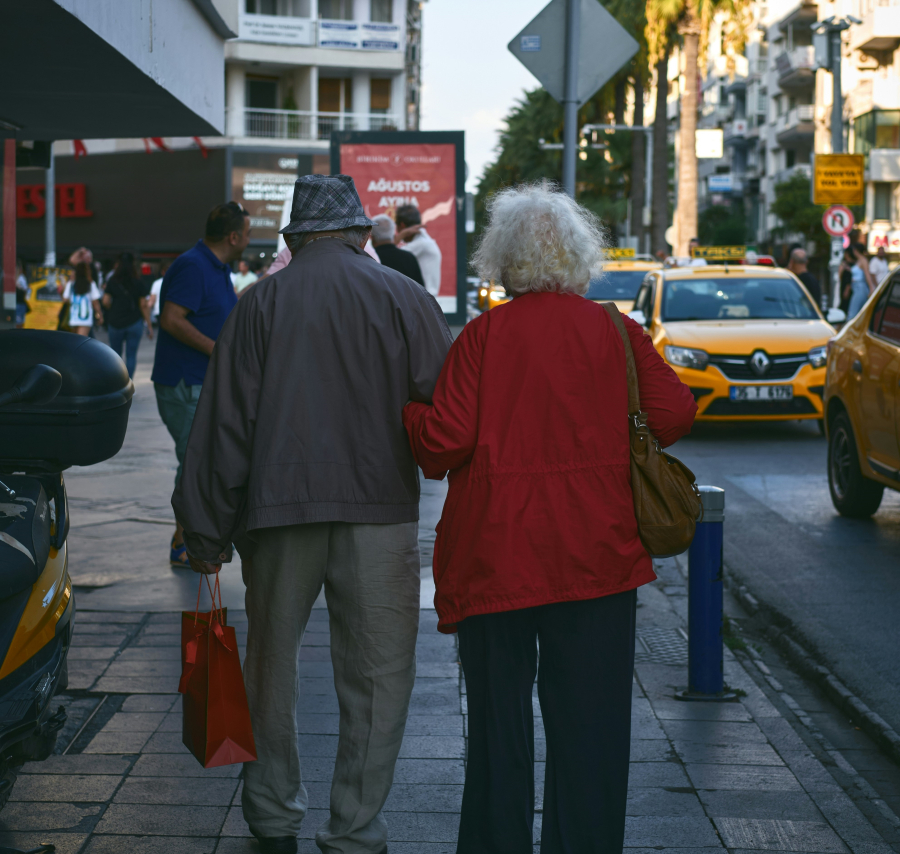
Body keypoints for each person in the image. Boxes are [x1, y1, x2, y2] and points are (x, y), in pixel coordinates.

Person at [403, 184, 697, 853]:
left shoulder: (483, 337)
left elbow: (441, 444)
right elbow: (676, 414)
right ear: (577, 257)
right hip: (597, 558)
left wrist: (409, 412)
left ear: (504, 262)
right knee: (591, 730)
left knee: (498, 730)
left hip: (496, 560)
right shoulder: (616, 332)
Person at [173, 175, 452, 854]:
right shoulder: (408, 299)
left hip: (277, 515)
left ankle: (272, 813)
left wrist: (205, 528)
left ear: (295, 238)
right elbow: (442, 415)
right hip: (379, 513)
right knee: (378, 675)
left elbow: (223, 427)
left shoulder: (260, 302)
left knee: (271, 666)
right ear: (361, 235)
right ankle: (355, 828)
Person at [152, 201, 249, 568]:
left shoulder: (216, 267)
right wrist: (218, 350)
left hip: (199, 381)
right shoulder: (193, 265)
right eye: (249, 233)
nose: (250, 239)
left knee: (199, 460)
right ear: (234, 236)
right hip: (184, 382)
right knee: (196, 462)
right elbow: (173, 319)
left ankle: (190, 537)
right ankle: (185, 541)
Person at [102, 254, 152, 376]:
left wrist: (113, 309)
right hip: (134, 322)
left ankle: (118, 383)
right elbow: (143, 305)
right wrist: (149, 325)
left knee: (115, 355)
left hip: (115, 322)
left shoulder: (112, 281)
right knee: (131, 355)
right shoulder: (138, 282)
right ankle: (128, 383)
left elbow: (105, 301)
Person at [395, 203, 442, 297]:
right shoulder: (425, 241)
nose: (396, 230)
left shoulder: (422, 243)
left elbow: (389, 255)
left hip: (423, 302)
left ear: (402, 225)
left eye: (396, 225)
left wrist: (400, 236)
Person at [370, 213, 425, 285]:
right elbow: (421, 292)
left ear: (372, 238)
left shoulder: (369, 260)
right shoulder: (409, 259)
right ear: (393, 235)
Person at [62, 261, 103, 336]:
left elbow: (65, 299)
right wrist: (100, 315)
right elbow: (95, 302)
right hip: (85, 320)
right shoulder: (90, 284)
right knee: (81, 343)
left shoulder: (71, 284)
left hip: (73, 317)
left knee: (73, 342)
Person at [845, 246, 873, 319]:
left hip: (860, 288)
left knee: (852, 314)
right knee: (857, 313)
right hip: (856, 287)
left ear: (856, 250)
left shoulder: (863, 260)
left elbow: (867, 275)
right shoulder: (858, 260)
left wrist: (871, 288)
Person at [15, 259, 30, 328]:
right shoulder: (10, 277)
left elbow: (26, 290)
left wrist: (18, 286)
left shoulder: (21, 278)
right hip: (14, 303)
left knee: (19, 323)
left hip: (21, 303)